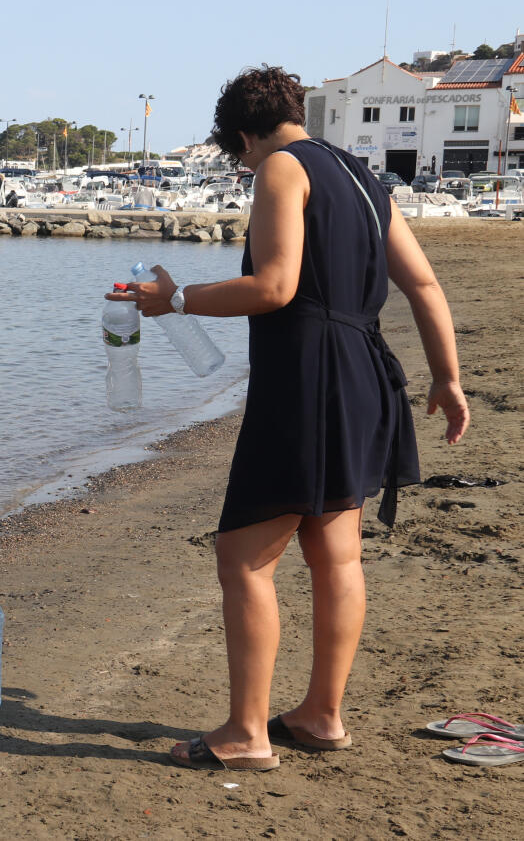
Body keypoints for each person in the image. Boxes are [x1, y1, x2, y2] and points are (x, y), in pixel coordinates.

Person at [107, 65, 469, 771]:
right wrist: (449, 379)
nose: (245, 167)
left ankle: (247, 733)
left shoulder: (279, 169)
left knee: (242, 555)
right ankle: (322, 715)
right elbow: (423, 282)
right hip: (366, 374)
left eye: (238, 155)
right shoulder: (365, 178)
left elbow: (275, 286)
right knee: (336, 554)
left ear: (245, 135)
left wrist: (174, 301)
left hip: (308, 377)